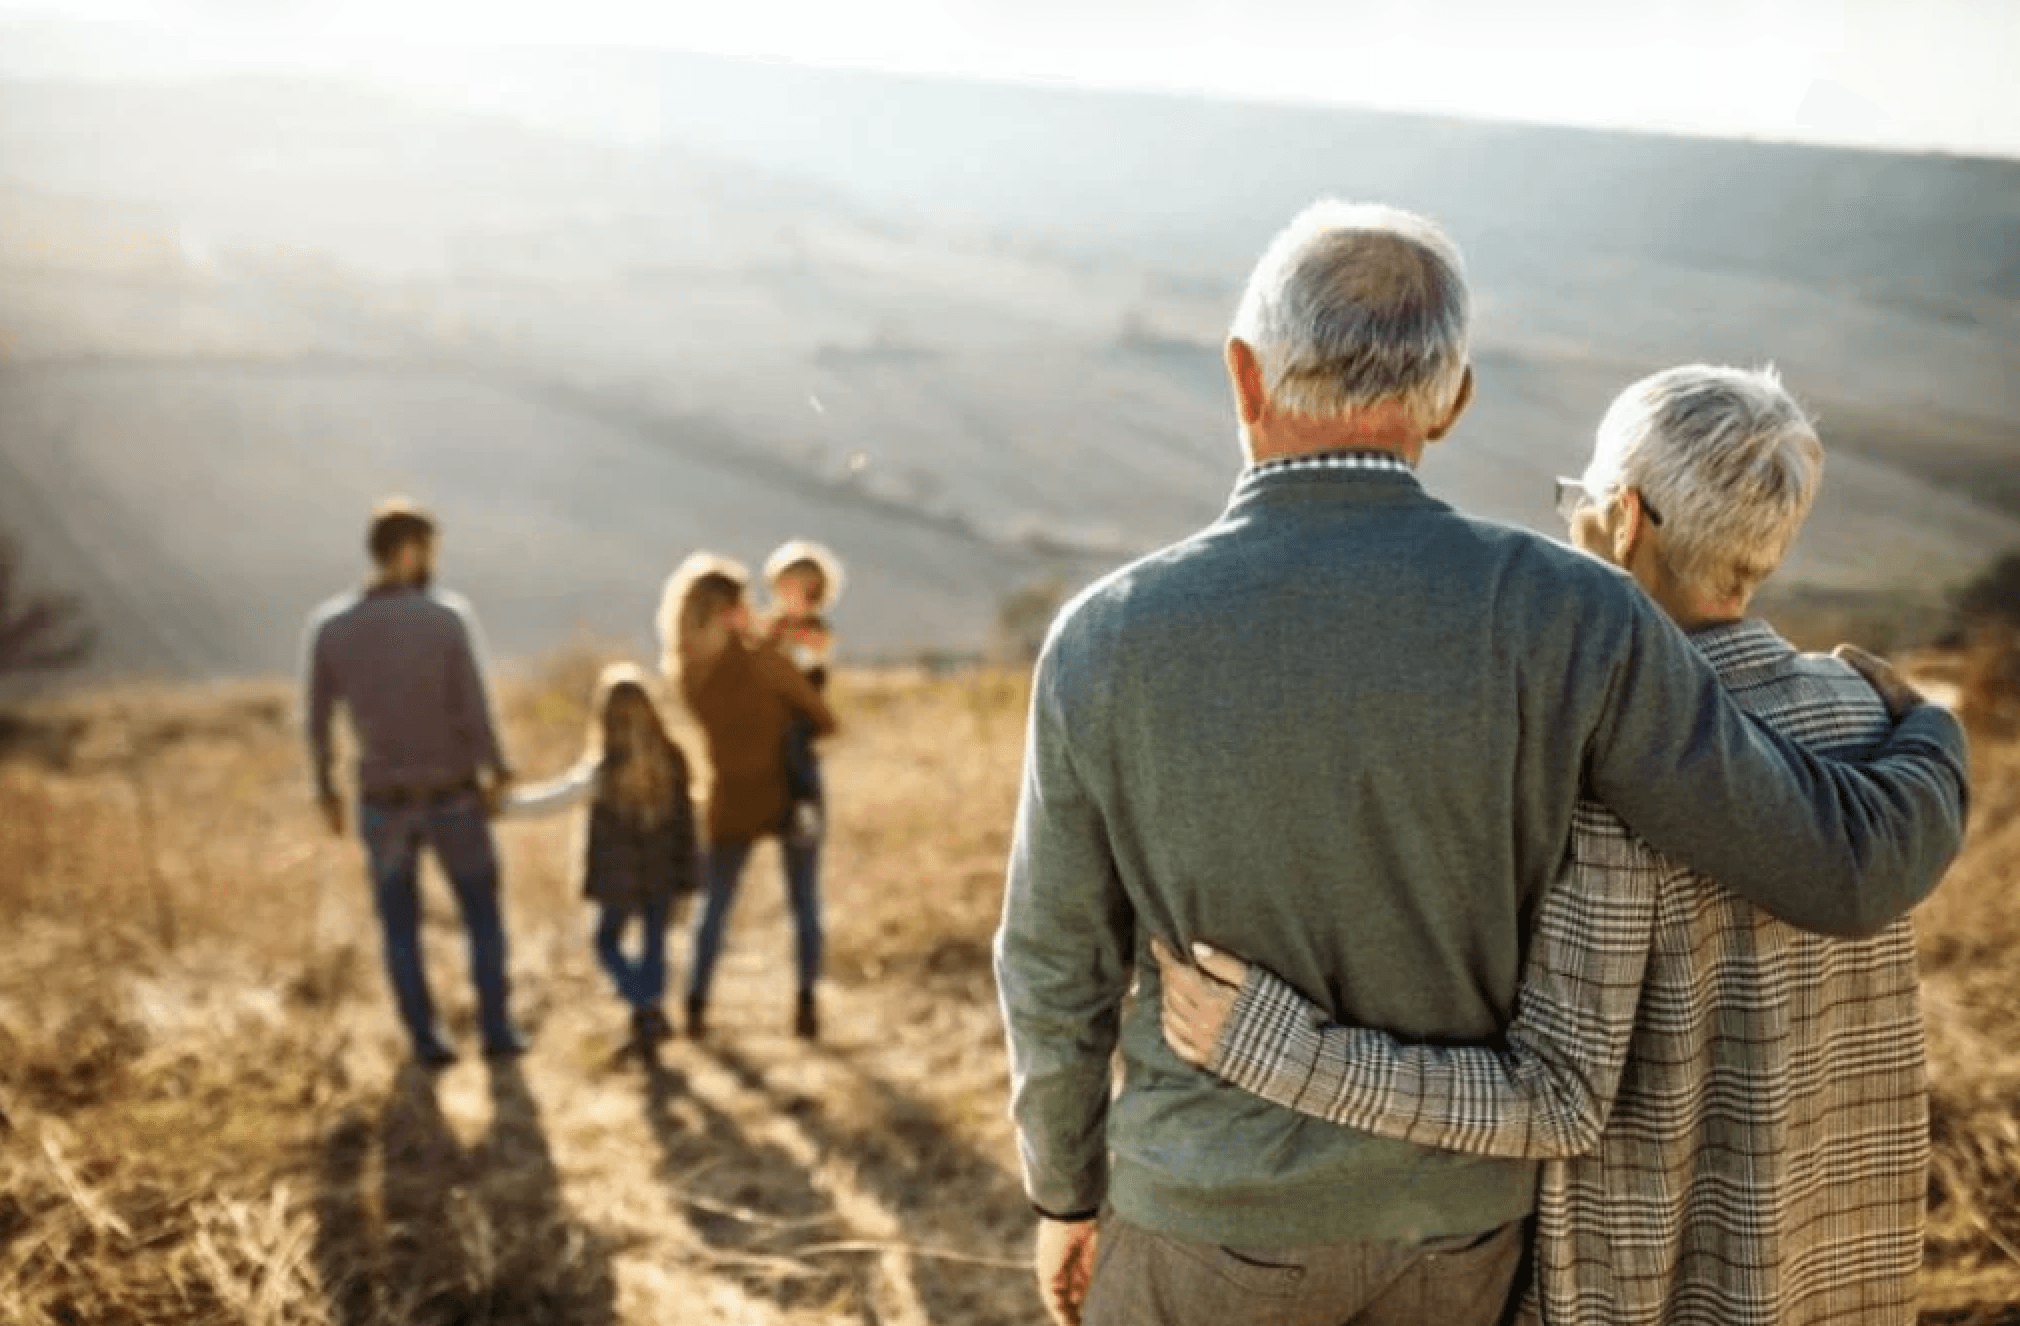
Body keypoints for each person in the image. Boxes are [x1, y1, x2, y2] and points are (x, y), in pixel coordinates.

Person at [992, 201, 1969, 1326]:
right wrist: (1929, 727)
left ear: (1242, 378)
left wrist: (1064, 1193)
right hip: (1458, 1235)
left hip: (1206, 1217)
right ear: (1450, 401)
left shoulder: (1105, 633)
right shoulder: (1570, 611)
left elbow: (1054, 962)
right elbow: (1827, 862)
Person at [1154, 363, 1938, 1326]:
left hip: (1655, 1291)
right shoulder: (1868, 716)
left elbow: (1558, 1101)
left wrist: (1282, 1052)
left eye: (1578, 503)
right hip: (1844, 1278)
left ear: (1624, 520)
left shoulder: (1606, 767)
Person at [305, 497, 523, 1065]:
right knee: (482, 914)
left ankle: (426, 1041)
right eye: (429, 550)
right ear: (410, 551)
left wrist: (325, 790)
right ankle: (497, 1031)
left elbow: (317, 720)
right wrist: (497, 770)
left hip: (380, 801)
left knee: (399, 926)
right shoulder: (445, 618)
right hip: (452, 793)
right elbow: (475, 709)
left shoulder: (332, 627)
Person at [658, 553, 838, 1040]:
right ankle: (805, 1004)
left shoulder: (688, 674)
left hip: (730, 796)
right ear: (727, 610)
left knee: (713, 906)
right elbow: (823, 717)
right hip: (790, 791)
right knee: (804, 903)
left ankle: (695, 1004)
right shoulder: (764, 660)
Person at [508, 662, 699, 1047]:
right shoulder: (674, 759)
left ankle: (643, 1007)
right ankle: (649, 1009)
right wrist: (689, 877)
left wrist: (502, 805)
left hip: (618, 880)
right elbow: (687, 826)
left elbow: (553, 799)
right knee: (654, 946)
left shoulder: (603, 769)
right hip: (663, 874)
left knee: (606, 942)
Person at [760, 539, 845, 845]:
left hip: (801, 713)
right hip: (771, 711)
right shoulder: (772, 625)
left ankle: (804, 805)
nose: (790, 595)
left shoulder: (816, 629)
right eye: (785, 587)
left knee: (796, 746)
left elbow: (803, 663)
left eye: (799, 588)